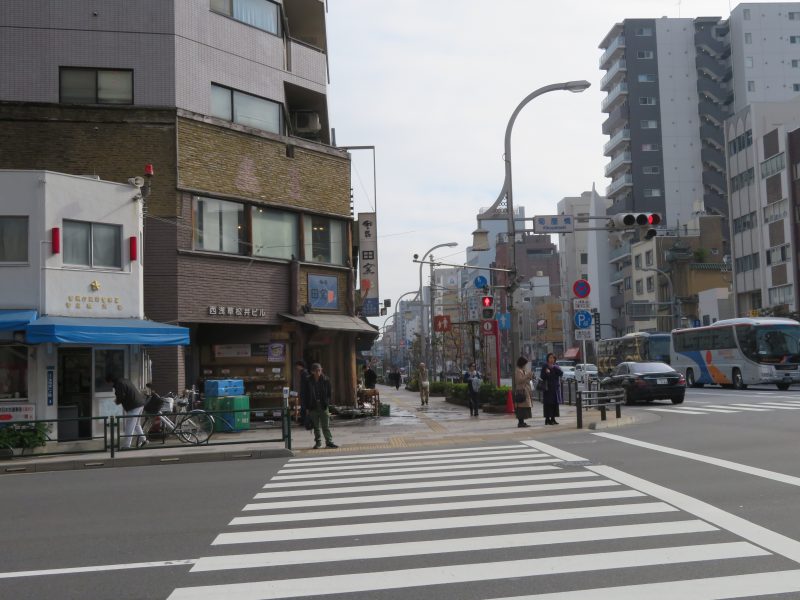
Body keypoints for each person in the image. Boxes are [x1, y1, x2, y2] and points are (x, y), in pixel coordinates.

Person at [301, 362, 338, 449]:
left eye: (319, 370)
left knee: (326, 425)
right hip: (312, 405)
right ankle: (318, 442)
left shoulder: (326, 379)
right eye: (316, 371)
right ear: (312, 372)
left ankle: (329, 442)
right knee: (316, 426)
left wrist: (327, 402)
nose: (318, 372)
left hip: (323, 405)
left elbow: (329, 393)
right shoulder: (308, 380)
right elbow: (304, 394)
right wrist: (306, 407)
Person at [106, 373, 147, 448]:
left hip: (134, 406)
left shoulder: (119, 384)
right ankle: (143, 439)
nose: (110, 385)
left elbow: (121, 396)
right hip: (140, 403)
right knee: (136, 424)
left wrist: (116, 401)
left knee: (129, 425)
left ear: (111, 381)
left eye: (109, 383)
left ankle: (127, 445)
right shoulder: (125, 380)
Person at [540, 352, 564, 425]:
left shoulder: (556, 366)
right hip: (547, 389)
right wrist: (547, 373)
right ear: (547, 358)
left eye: (553, 358)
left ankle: (553, 418)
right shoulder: (545, 366)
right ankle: (547, 419)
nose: (552, 359)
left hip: (555, 388)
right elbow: (542, 376)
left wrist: (555, 367)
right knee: (548, 404)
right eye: (550, 358)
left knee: (554, 404)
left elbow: (561, 373)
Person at [513, 357, 533, 428]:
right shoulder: (518, 370)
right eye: (525, 364)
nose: (525, 365)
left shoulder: (523, 370)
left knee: (524, 406)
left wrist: (529, 377)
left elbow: (525, 380)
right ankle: (520, 422)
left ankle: (522, 422)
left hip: (525, 390)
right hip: (521, 391)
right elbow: (519, 380)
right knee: (521, 407)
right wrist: (527, 375)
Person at [294, 360, 312, 429]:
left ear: (300, 366)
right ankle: (303, 421)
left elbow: (306, 385)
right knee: (303, 408)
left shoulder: (304, 373)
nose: (296, 368)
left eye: (297, 366)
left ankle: (304, 421)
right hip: (304, 393)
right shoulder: (303, 372)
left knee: (304, 408)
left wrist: (304, 393)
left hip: (305, 393)